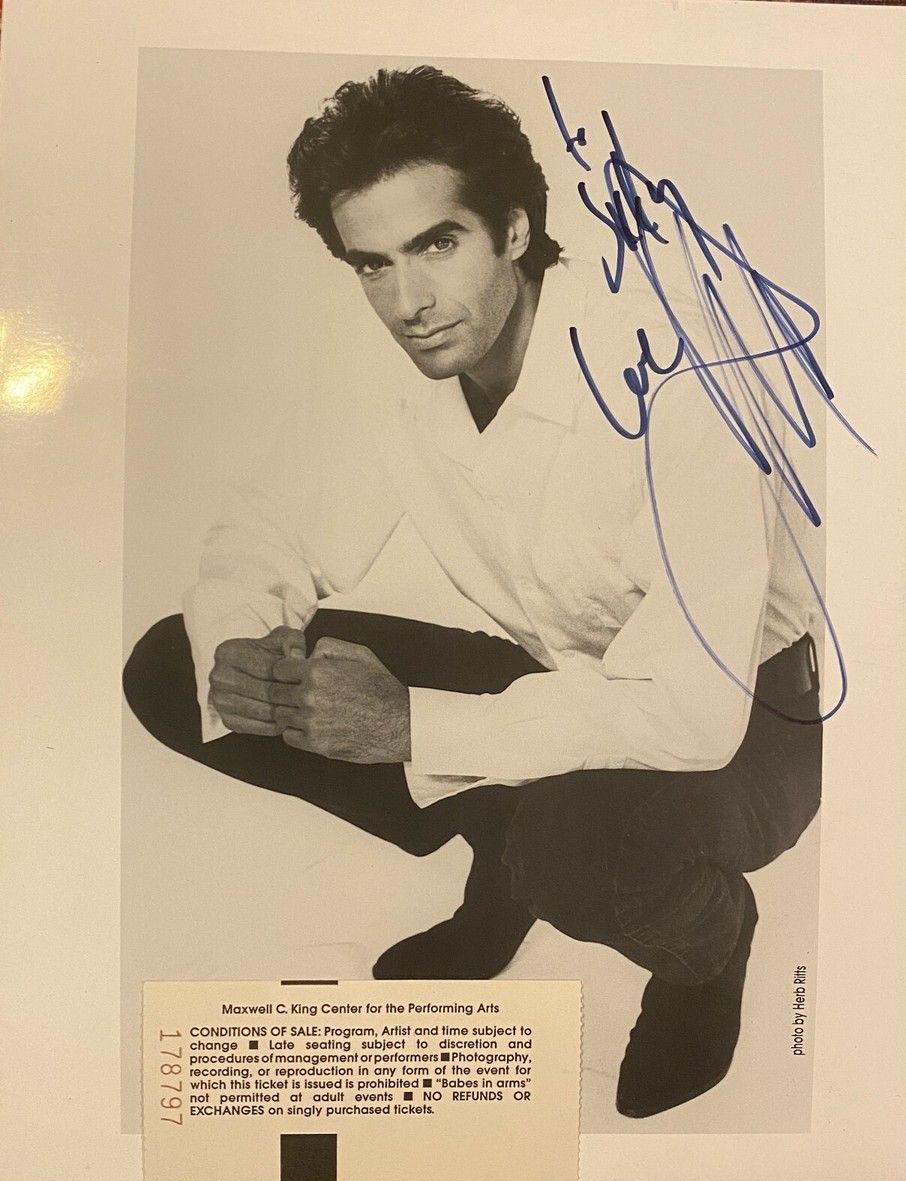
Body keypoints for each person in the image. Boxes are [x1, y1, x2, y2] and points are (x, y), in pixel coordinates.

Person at [123, 65, 823, 1118]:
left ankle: (704, 948)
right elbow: (270, 529)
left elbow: (690, 712)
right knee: (173, 667)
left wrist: (411, 724)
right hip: (560, 681)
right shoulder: (402, 357)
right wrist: (245, 642)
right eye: (373, 264)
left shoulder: (673, 375)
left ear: (514, 228)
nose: (407, 302)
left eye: (437, 245)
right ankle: (509, 853)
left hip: (749, 717)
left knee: (581, 848)